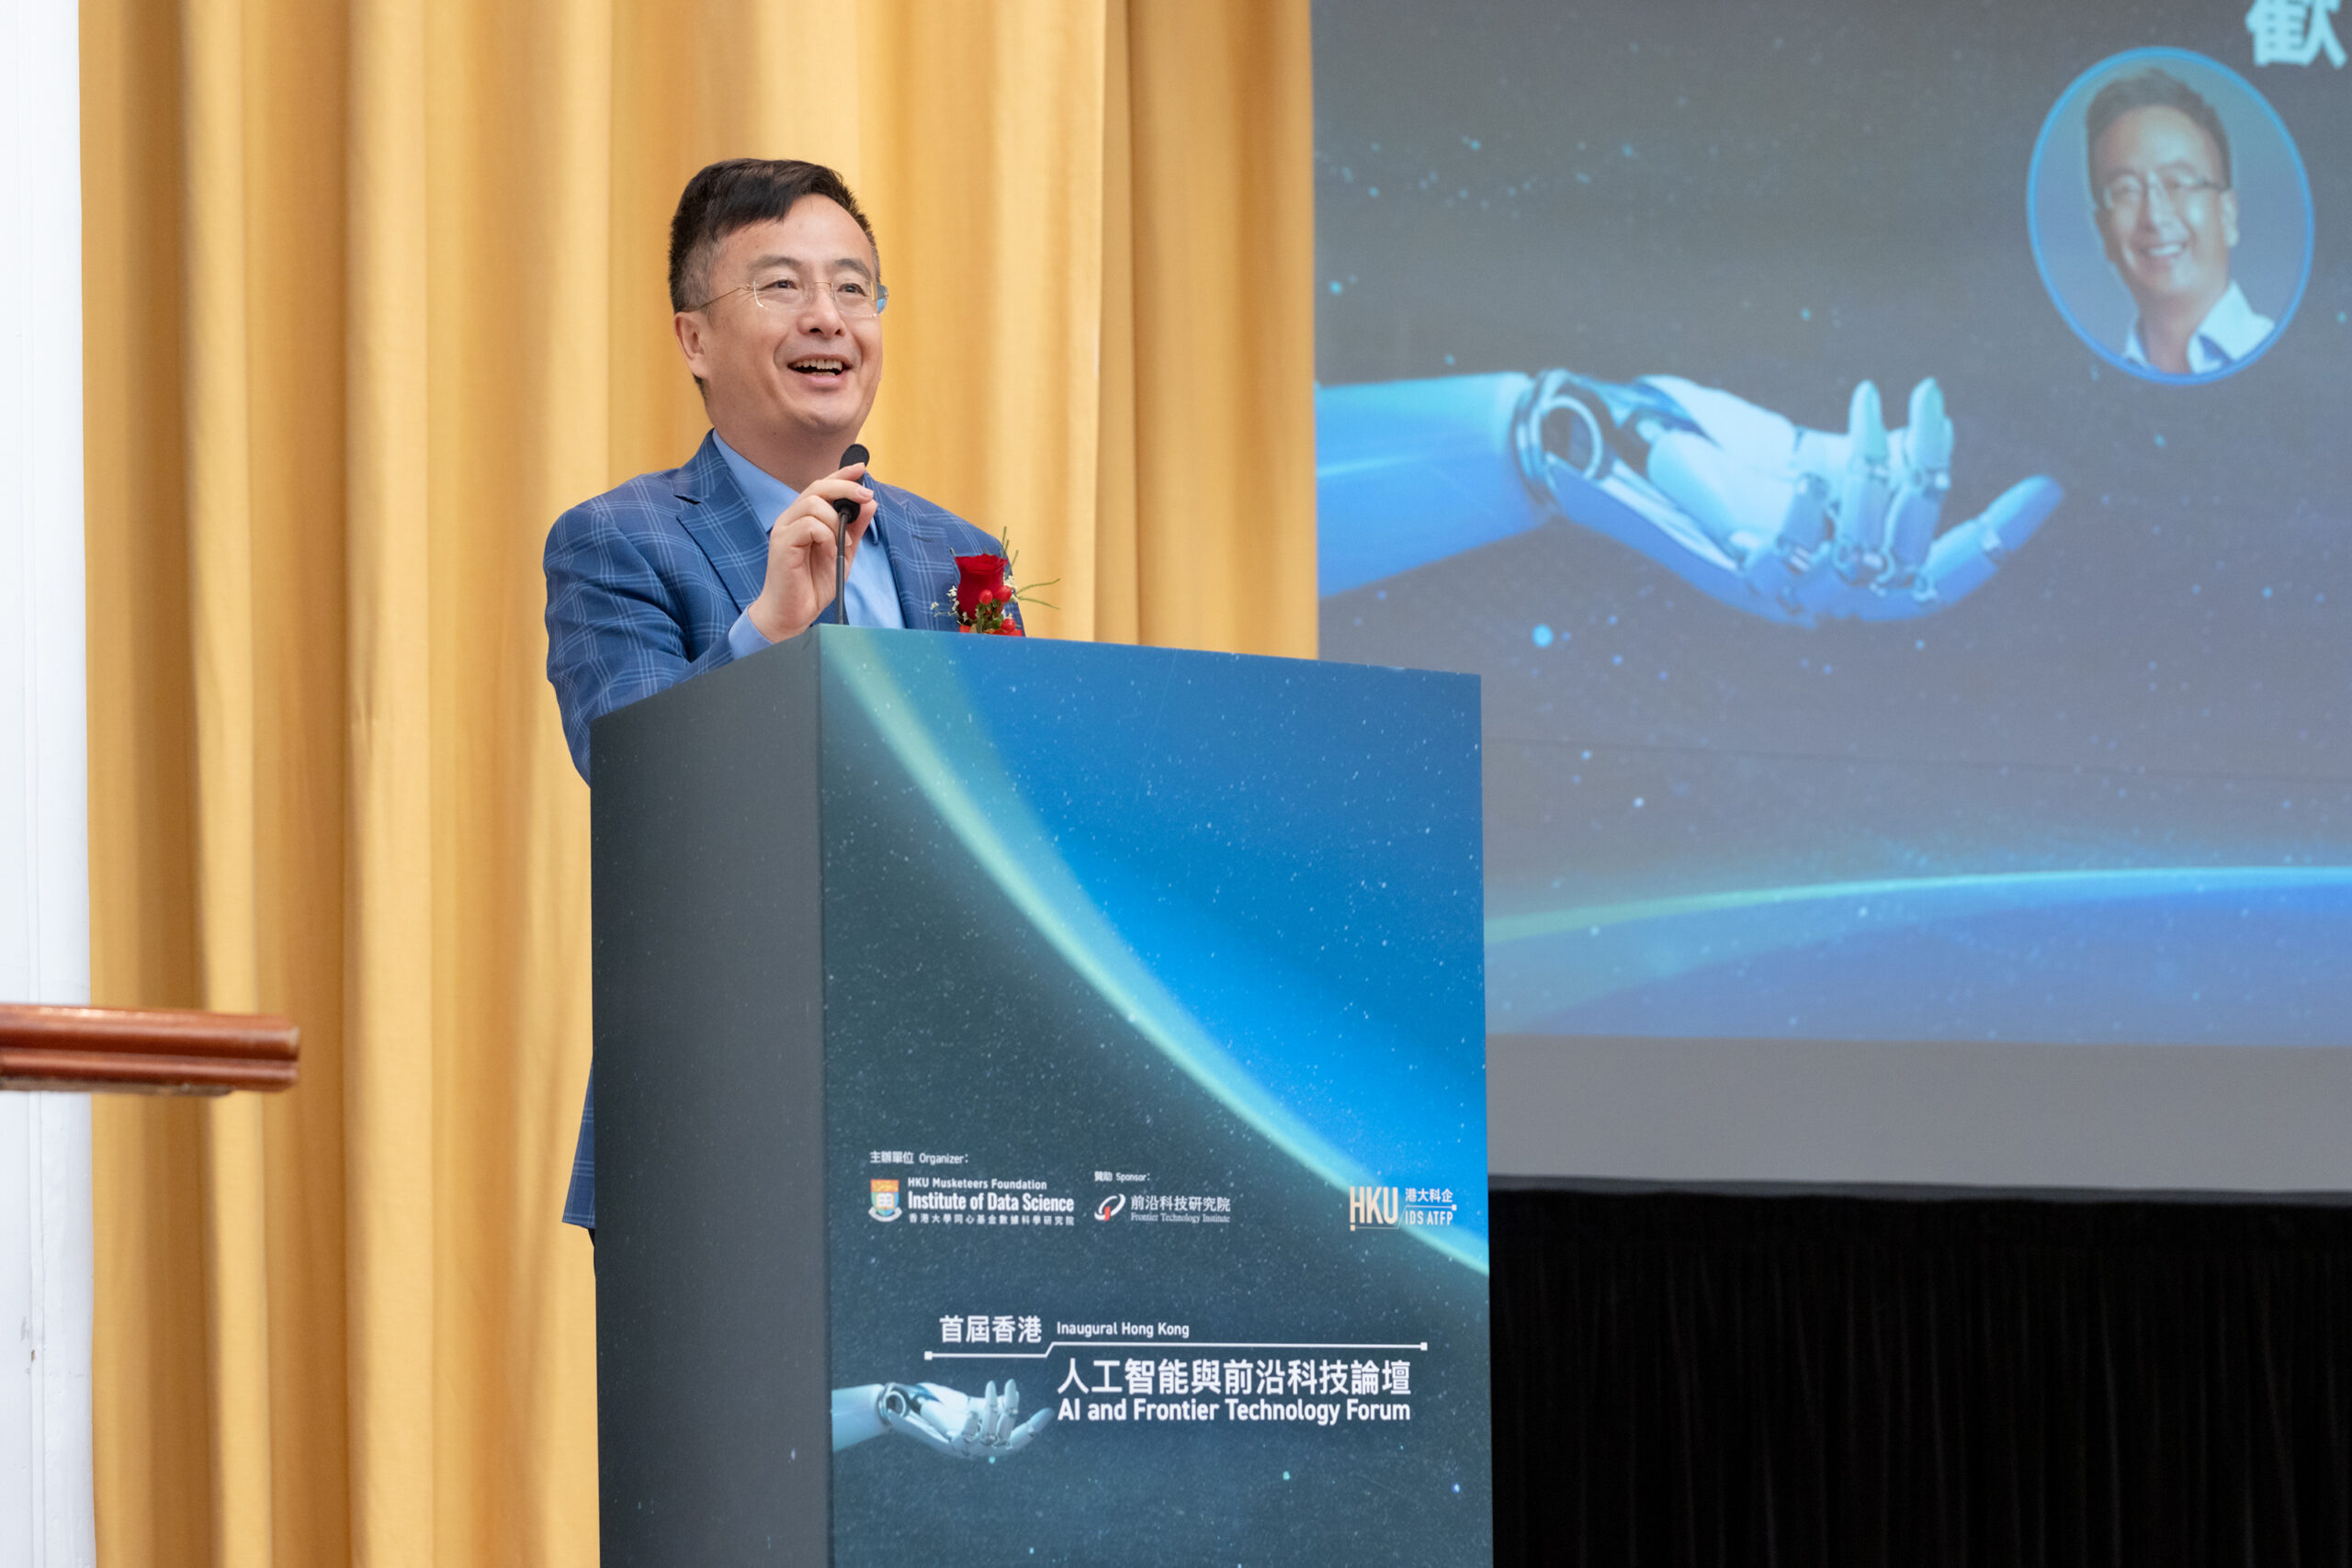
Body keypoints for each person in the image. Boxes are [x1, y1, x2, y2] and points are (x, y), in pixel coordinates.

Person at [543, 158, 1016, 1235]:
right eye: (781, 286)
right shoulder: (619, 541)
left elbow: (1011, 805)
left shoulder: (960, 556)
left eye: (853, 287)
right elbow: (633, 781)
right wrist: (766, 631)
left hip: (957, 1118)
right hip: (722, 1112)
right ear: (693, 339)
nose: (827, 318)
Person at [2085, 67, 2274, 377]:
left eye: (2177, 184)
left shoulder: (2294, 361)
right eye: (2126, 190)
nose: (2154, 217)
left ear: (2227, 214)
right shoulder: (2097, 384)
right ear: (2103, 230)